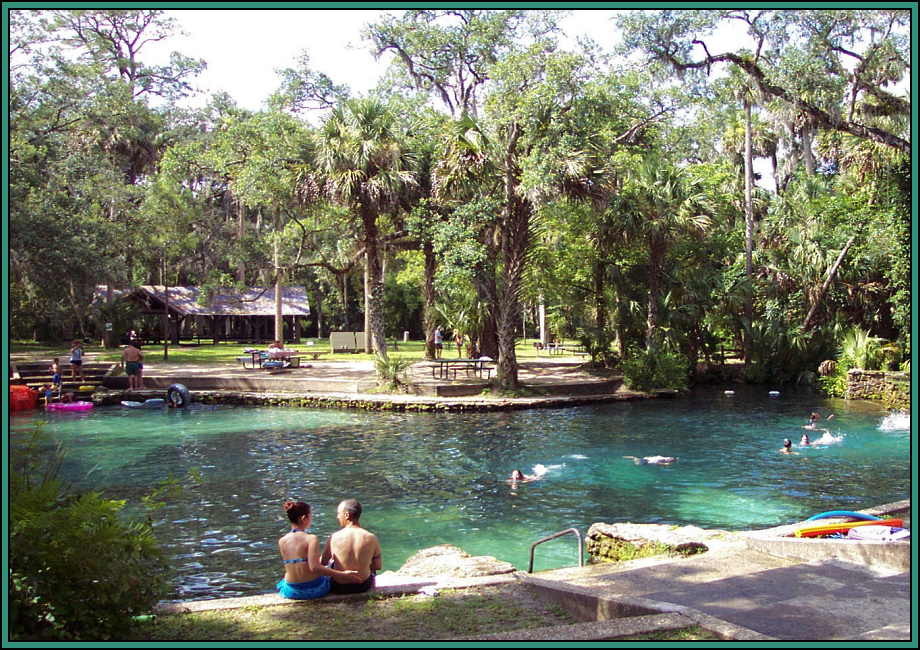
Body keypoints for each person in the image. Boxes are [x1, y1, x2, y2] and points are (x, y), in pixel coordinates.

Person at [277, 500, 360, 600]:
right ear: (304, 518)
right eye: (311, 516)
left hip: (291, 590)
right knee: (330, 574)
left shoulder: (282, 541)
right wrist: (343, 574)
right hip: (313, 589)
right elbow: (314, 568)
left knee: (283, 581)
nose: (311, 520)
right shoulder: (311, 539)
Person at [320, 499, 382, 594]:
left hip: (339, 587)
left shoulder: (334, 537)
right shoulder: (371, 537)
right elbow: (377, 566)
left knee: (331, 564)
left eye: (338, 513)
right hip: (363, 586)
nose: (337, 517)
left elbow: (323, 562)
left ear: (346, 515)